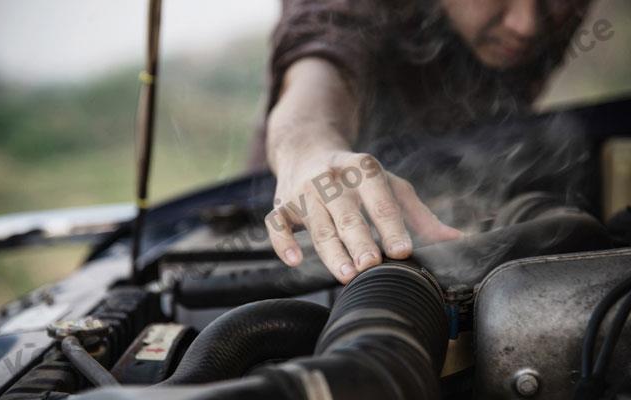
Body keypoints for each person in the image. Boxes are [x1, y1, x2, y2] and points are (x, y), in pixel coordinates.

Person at [251, 0, 593, 284]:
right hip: (299, 224)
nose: (526, 25)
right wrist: (311, 155)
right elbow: (316, 76)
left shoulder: (549, 17)